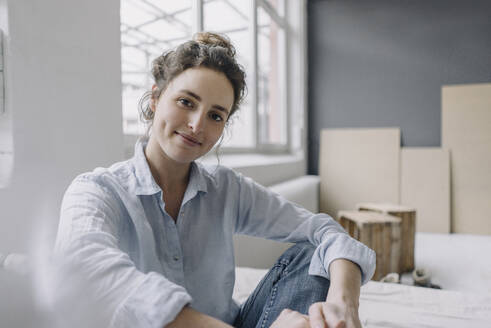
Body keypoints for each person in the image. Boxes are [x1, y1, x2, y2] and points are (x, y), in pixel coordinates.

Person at [54, 32, 375, 328]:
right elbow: (84, 270)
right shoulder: (98, 191)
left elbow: (322, 230)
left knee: (311, 254)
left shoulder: (227, 189)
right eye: (186, 102)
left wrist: (343, 302)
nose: (197, 125)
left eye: (215, 115)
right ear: (155, 98)